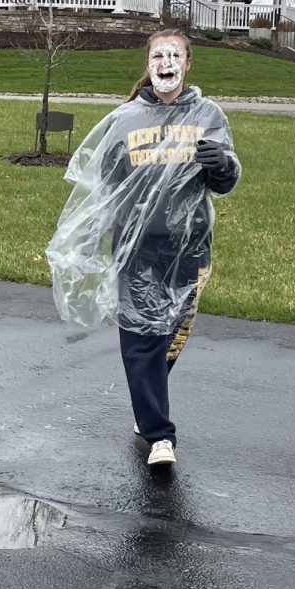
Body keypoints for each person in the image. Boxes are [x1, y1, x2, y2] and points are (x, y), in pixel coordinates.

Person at [46, 29, 241, 466]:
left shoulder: (208, 115)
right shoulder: (126, 120)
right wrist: (88, 238)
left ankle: (144, 399)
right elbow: (103, 188)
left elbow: (225, 182)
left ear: (188, 64)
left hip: (189, 249)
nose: (166, 62)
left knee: (170, 336)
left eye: (175, 54)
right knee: (141, 338)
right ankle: (159, 435)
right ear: (149, 63)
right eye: (158, 54)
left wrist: (223, 165)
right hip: (135, 250)